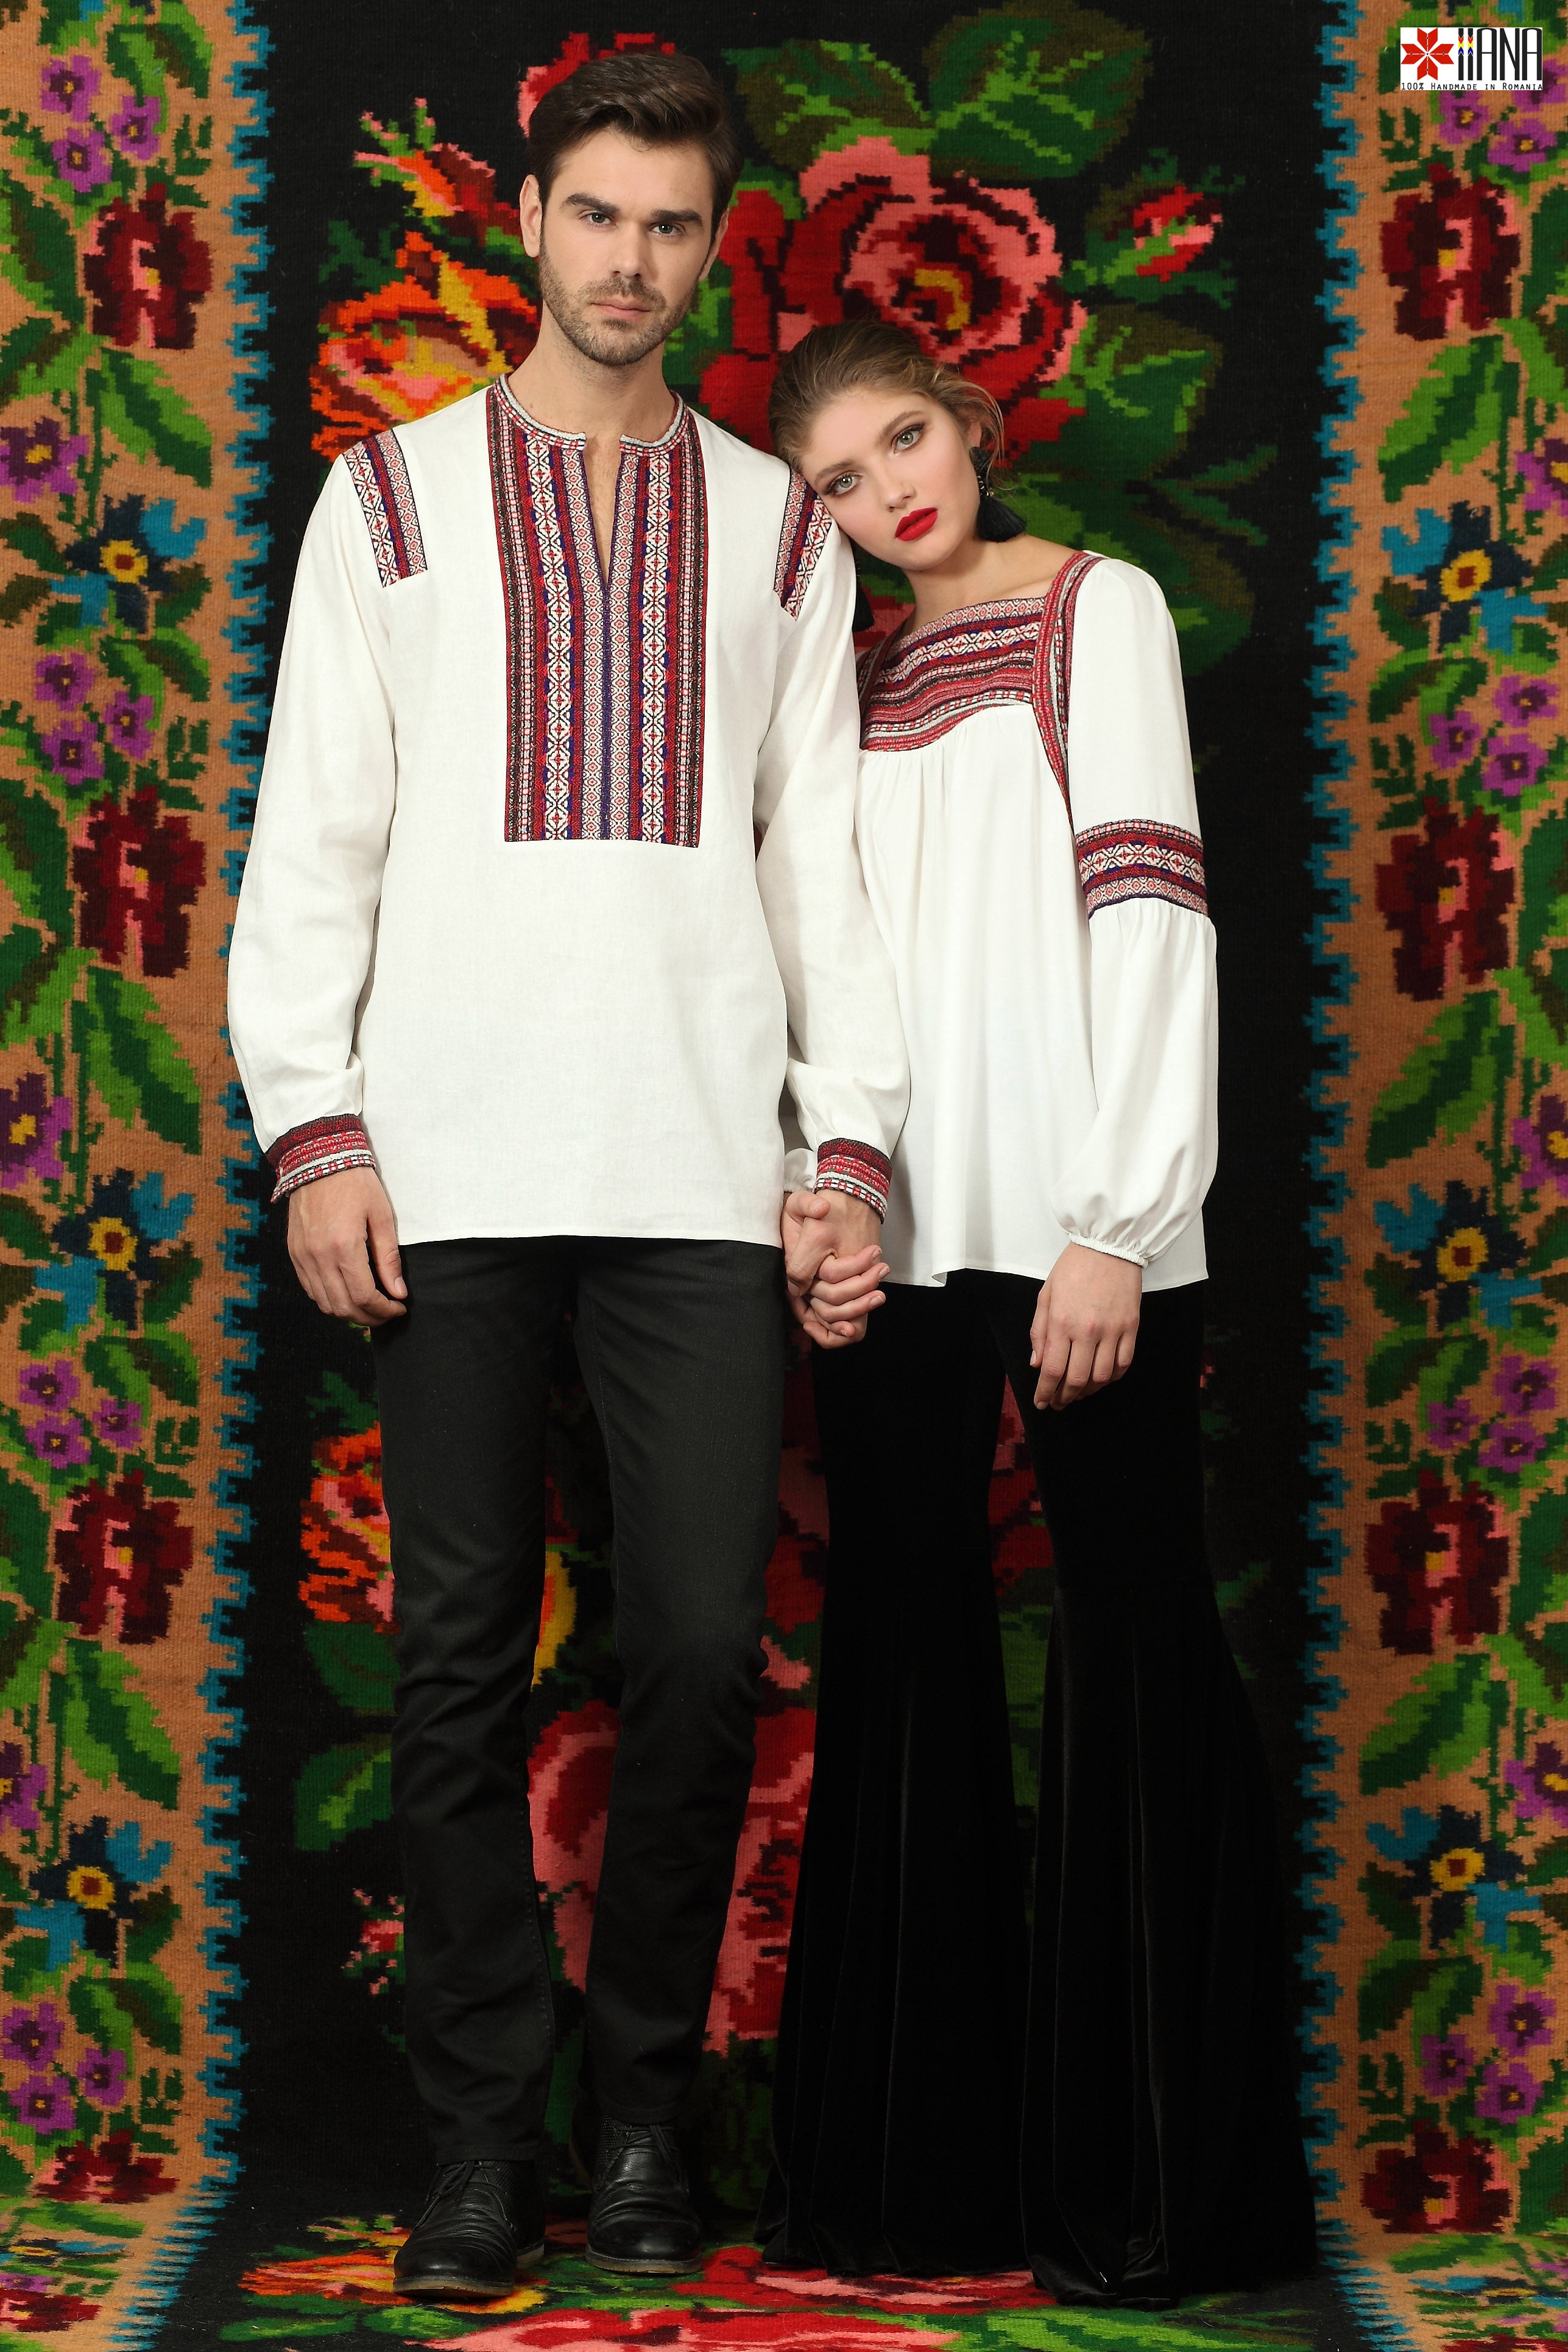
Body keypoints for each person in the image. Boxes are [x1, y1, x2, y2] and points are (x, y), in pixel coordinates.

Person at [227, 58, 906, 2303]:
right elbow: (314, 838)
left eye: (674, 225)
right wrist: (317, 1129)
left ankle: (638, 2126)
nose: (633, 261)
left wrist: (843, 1147)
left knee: (699, 1645)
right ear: (529, 216)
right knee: (453, 1663)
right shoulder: (391, 502)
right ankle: (474, 2149)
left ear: (716, 246)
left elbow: (820, 864)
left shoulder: (779, 528)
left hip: (697, 1165)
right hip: (442, 1161)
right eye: (598, 215)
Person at [758, 320, 1317, 2306]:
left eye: (904, 438)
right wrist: (828, 1191)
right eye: (838, 480)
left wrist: (1118, 1222)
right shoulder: (845, 676)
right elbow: (822, 967)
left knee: (1135, 1633)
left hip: (1083, 1219)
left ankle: (1160, 2198)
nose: (889, 492)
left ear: (971, 423)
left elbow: (1151, 909)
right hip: (899, 1232)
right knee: (901, 1653)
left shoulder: (1102, 609)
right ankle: (911, 2199)